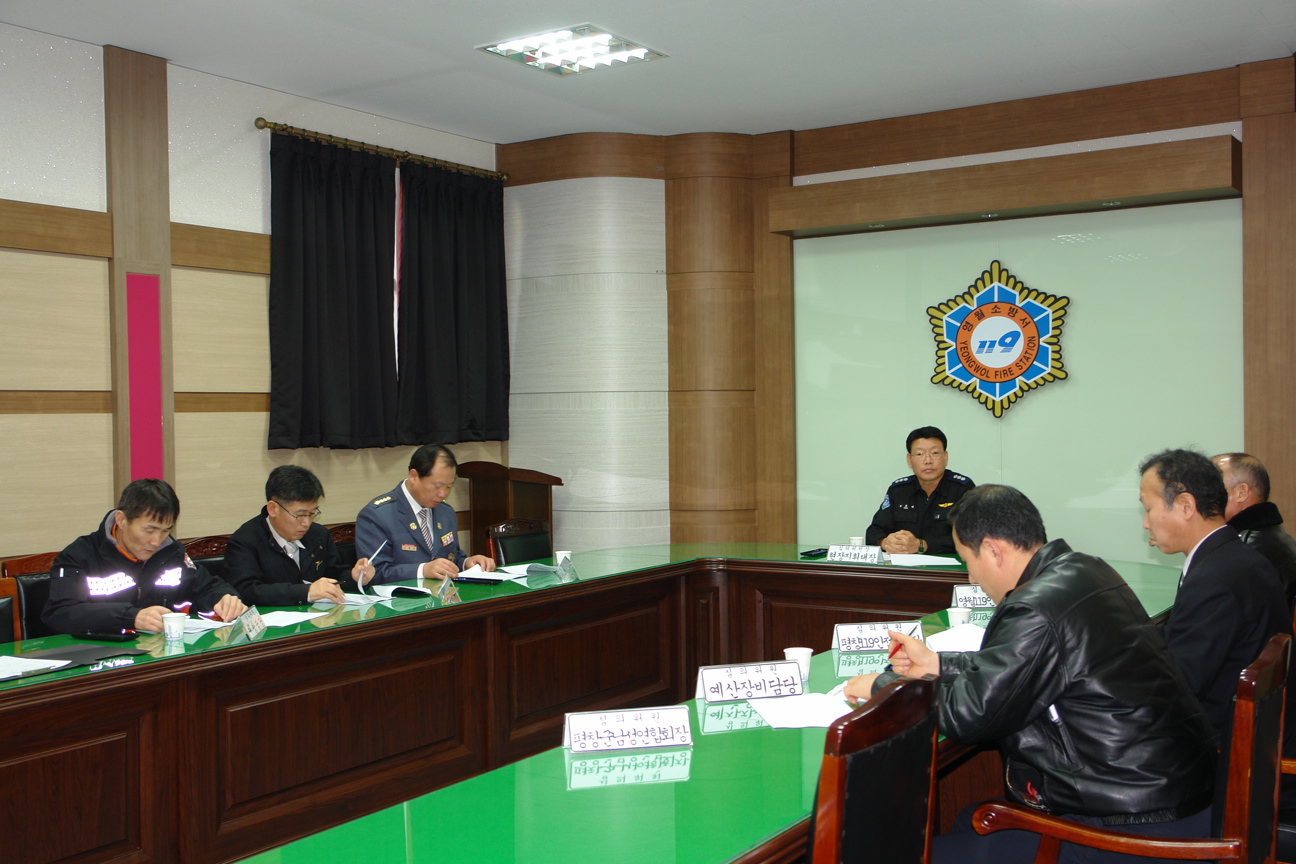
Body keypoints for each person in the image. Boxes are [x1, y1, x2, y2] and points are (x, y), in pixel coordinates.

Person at [845, 485, 1216, 864]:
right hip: (1172, 796)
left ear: (993, 550)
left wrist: (885, 686)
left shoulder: (1035, 608)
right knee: (966, 820)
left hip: (1131, 826)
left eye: (968, 561)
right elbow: (1018, 666)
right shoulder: (1083, 569)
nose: (971, 578)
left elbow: (969, 715)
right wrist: (938, 664)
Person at [1139, 448, 1292, 742]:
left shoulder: (1214, 579)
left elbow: (1178, 691)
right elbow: (1185, 635)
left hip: (1222, 742)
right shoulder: (1236, 557)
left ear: (1185, 505)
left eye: (1148, 509)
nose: (1146, 523)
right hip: (1249, 724)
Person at [44, 478, 247, 634]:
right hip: (101, 660)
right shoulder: (80, 556)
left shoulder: (171, 553)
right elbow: (59, 614)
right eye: (149, 530)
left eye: (165, 530)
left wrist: (224, 597)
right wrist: (131, 617)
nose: (156, 541)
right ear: (121, 520)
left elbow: (205, 585)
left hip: (161, 654)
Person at [224, 465, 376, 606]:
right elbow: (246, 591)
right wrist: (306, 592)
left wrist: (354, 577)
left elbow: (333, 576)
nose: (306, 523)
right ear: (273, 509)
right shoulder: (245, 541)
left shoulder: (319, 535)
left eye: (312, 513)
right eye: (300, 515)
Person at [355, 444, 496, 584]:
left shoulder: (445, 511)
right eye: (437, 486)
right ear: (414, 476)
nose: (443, 494)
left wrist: (466, 563)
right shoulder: (377, 515)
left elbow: (452, 557)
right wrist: (422, 570)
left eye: (448, 487)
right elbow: (374, 573)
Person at [865, 426, 974, 555]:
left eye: (935, 453)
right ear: (909, 460)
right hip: (904, 566)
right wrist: (886, 542)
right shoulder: (898, 490)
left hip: (949, 566)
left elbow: (971, 536)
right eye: (919, 454)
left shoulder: (963, 489)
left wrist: (922, 545)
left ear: (945, 457)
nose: (928, 461)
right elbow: (873, 531)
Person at [1212, 451, 1296, 611]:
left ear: (1241, 493)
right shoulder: (1281, 539)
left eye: (1211, 490)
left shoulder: (1240, 555)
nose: (1202, 499)